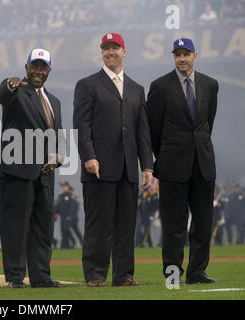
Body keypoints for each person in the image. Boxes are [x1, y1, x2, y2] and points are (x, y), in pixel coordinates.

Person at [73, 33, 154, 287]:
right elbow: (81, 125)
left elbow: (143, 132)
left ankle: (124, 275)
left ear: (124, 51)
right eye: (106, 48)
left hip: (128, 169)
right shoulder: (87, 85)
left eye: (115, 48)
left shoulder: (136, 89)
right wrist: (88, 156)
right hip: (98, 168)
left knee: (126, 226)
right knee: (99, 225)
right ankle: (96, 275)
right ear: (102, 53)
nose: (111, 52)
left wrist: (148, 167)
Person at [146, 38, 219, 284]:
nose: (182, 58)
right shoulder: (160, 86)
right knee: (173, 226)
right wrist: (163, 156)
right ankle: (173, 275)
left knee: (202, 225)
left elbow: (206, 123)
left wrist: (199, 147)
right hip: (172, 166)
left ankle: (197, 272)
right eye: (177, 54)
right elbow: (153, 129)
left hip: (203, 164)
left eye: (186, 53)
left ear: (195, 55)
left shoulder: (210, 85)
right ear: (173, 57)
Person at [0, 48, 66, 288]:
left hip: (44, 174)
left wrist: (58, 156)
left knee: (43, 227)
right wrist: (9, 85)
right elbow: (2, 95)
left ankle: (41, 276)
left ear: (48, 70)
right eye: (34, 66)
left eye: (43, 66)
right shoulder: (17, 91)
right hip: (17, 170)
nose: (38, 70)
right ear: (26, 67)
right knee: (15, 226)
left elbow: (57, 135)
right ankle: (15, 278)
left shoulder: (54, 101)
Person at [55, 181, 83, 249]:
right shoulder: (60, 196)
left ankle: (82, 243)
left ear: (68, 187)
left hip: (71, 218)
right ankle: (67, 245)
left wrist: (71, 215)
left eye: (64, 186)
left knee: (76, 231)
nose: (63, 188)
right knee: (64, 232)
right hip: (63, 218)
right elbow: (58, 207)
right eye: (62, 187)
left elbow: (74, 207)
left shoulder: (72, 196)